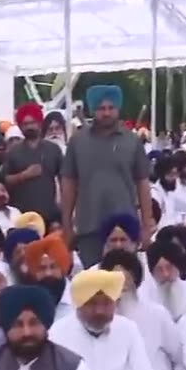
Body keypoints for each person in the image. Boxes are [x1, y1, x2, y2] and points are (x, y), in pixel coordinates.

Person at [61, 85, 155, 267]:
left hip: (125, 229)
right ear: (93, 110)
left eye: (111, 108)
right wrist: (66, 226)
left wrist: (146, 226)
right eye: (101, 108)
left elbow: (143, 183)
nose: (106, 113)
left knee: (125, 280)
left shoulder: (132, 141)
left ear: (118, 109)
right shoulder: (78, 141)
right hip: (89, 227)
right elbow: (68, 184)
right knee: (95, 285)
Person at [102, 248, 186, 370]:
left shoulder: (156, 313)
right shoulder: (102, 320)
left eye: (124, 277)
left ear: (134, 277)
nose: (120, 284)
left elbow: (179, 356)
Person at [3, 102, 63, 223]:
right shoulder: (13, 152)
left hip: (50, 216)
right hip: (21, 216)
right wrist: (24, 175)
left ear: (40, 124)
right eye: (25, 124)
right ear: (20, 126)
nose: (30, 127)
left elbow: (66, 180)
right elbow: (3, 181)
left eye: (33, 122)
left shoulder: (53, 149)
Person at [22, 235, 75, 320]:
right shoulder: (25, 303)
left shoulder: (78, 299)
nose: (48, 273)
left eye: (53, 267)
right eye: (41, 268)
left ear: (62, 267)